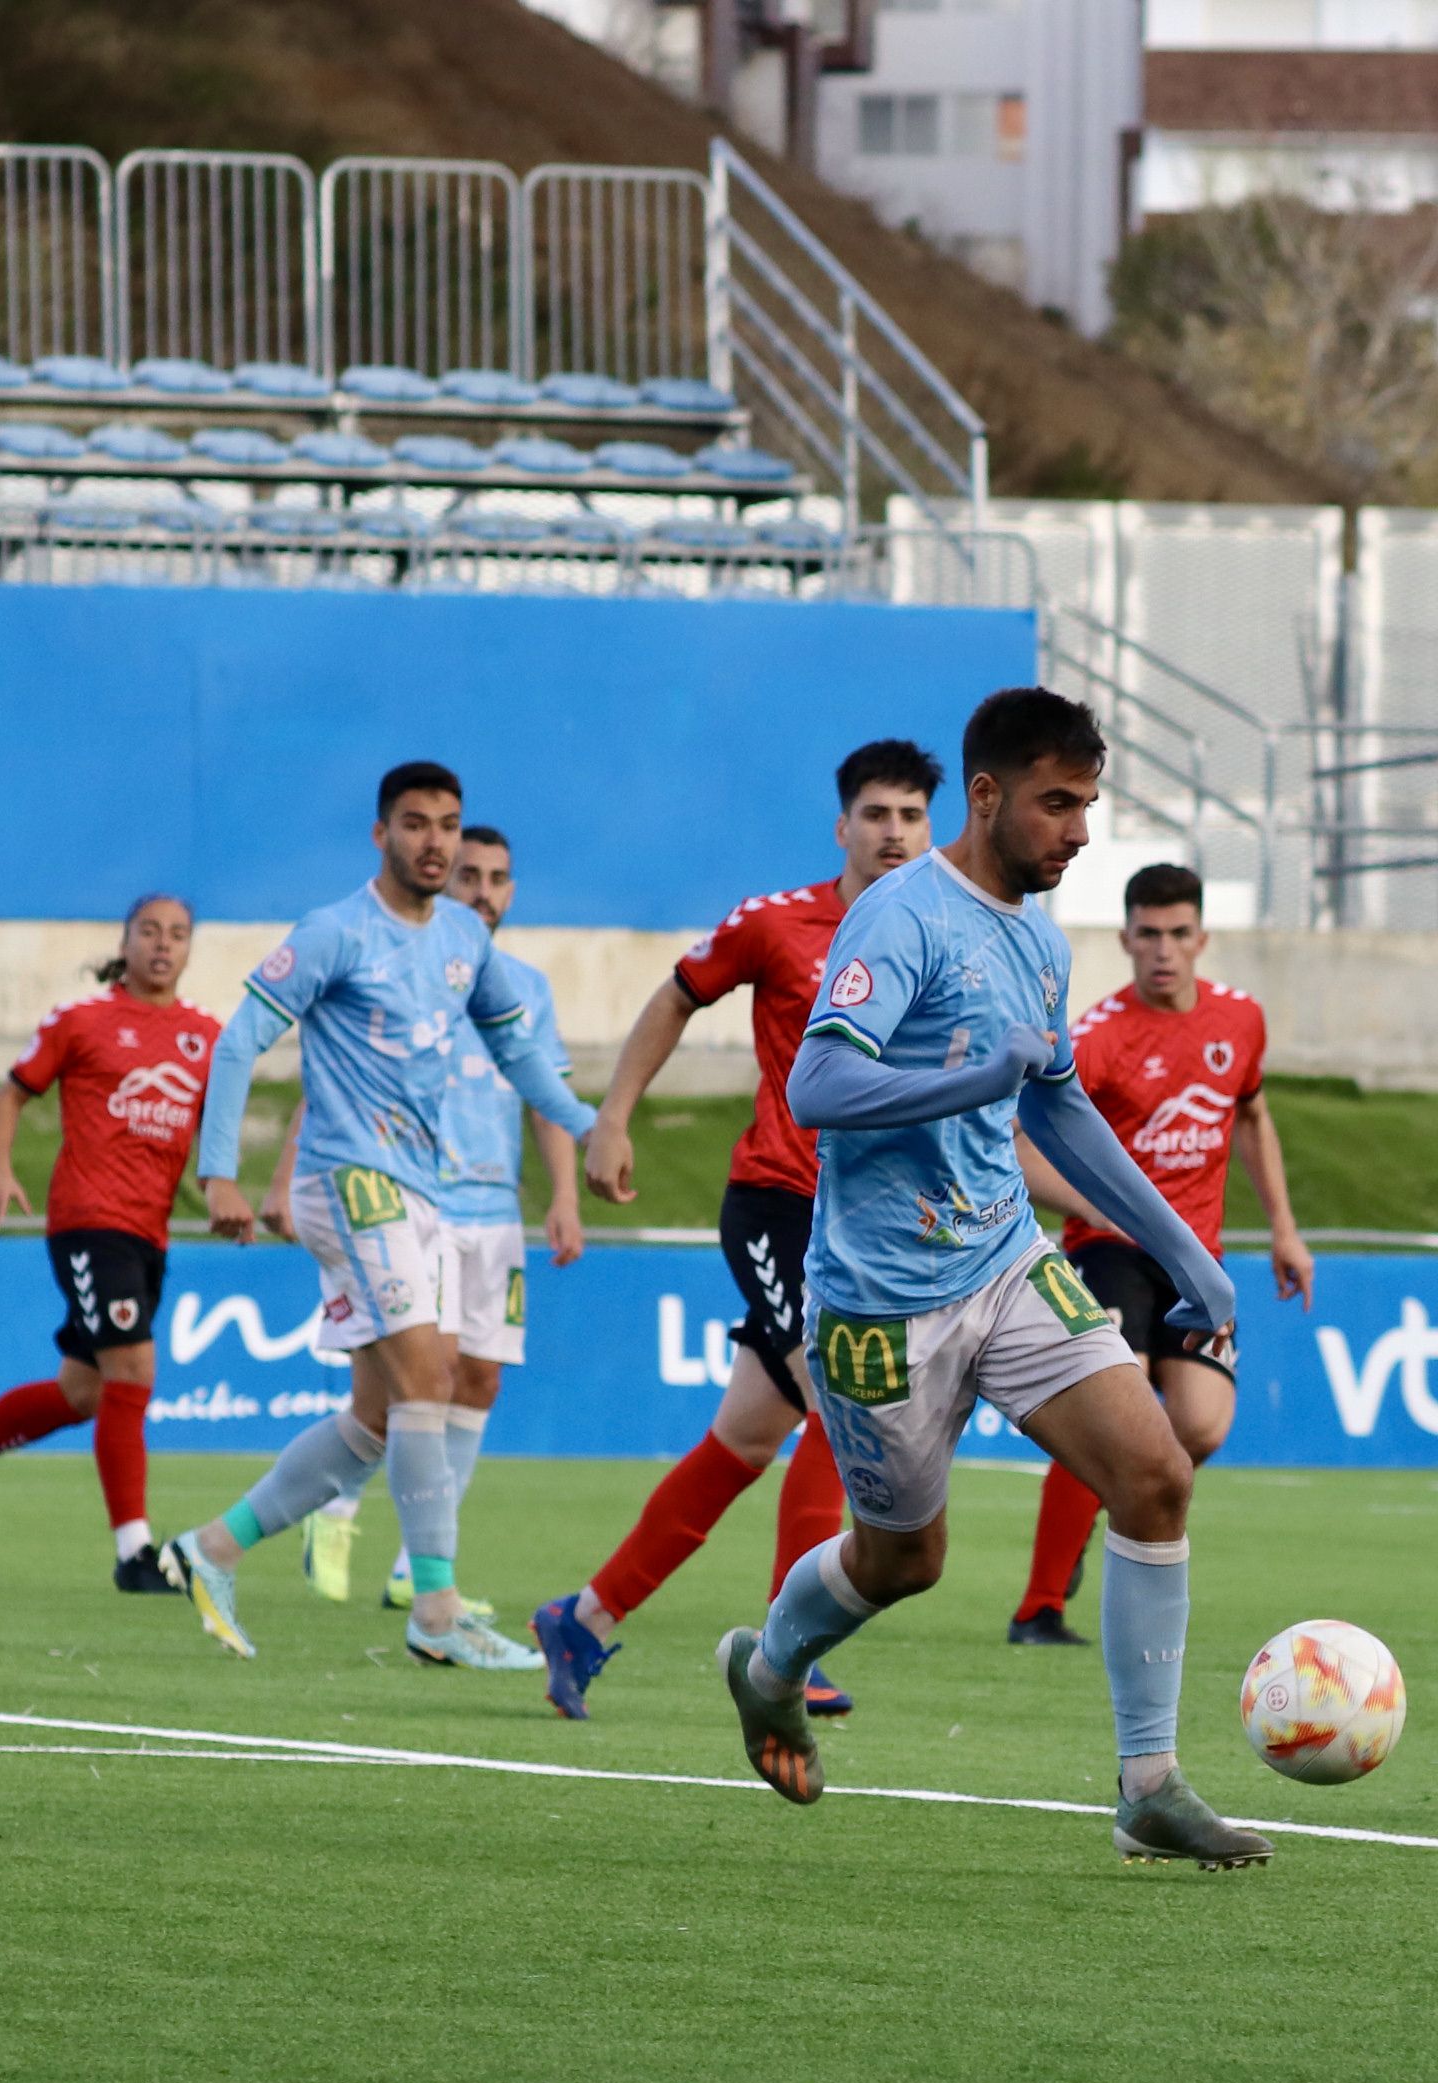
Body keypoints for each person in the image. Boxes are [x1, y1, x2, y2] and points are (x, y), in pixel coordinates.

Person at [711, 686, 1272, 1869]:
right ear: (987, 795)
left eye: (1089, 805)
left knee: (1157, 1472)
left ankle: (1149, 1782)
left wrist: (1184, 1253)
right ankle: (768, 1670)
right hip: (880, 1303)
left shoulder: (1035, 937)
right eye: (1058, 804)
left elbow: (1058, 1105)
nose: (1078, 830)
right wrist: (970, 1079)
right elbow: (818, 1092)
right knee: (904, 1559)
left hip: (1009, 1262)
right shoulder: (900, 922)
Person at [527, 740, 942, 1724]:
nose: (893, 832)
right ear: (842, 825)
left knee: (745, 1440)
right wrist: (615, 1117)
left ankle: (581, 1619)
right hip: (780, 1204)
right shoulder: (776, 923)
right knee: (843, 1407)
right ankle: (789, 1646)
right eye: (877, 814)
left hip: (877, 1227)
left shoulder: (942, 936)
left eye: (911, 816)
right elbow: (678, 994)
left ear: (933, 828)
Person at [163, 760, 594, 1667]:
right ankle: (436, 1611)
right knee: (432, 1375)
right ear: (380, 834)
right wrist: (220, 1175)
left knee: (375, 1418)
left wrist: (591, 1126)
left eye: (447, 824)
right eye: (416, 823)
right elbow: (240, 1042)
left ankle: (210, 1550)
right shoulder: (335, 933)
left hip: (417, 1191)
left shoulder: (464, 943)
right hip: (349, 1183)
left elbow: (520, 1056)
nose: (434, 840)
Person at [1004, 861, 1312, 1644]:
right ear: (1126, 939)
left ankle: (1107, 1503)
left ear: (1203, 937)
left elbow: (1253, 1117)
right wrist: (1101, 1206)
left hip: (1194, 1258)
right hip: (1108, 1252)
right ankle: (1040, 1606)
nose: (1165, 950)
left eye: (1179, 934)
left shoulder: (1240, 1020)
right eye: (1149, 935)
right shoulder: (1101, 1036)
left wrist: (1283, 1226)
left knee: (1202, 1427)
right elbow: (1021, 1142)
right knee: (1117, 1409)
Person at [282, 824, 584, 1611]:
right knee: (399, 1391)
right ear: (443, 884)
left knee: (478, 1380)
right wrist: (284, 1180)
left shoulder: (526, 987)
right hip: (411, 1198)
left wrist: (564, 1195)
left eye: (498, 878)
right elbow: (332, 1091)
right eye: (470, 876)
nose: (484, 890)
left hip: (495, 1212)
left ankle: (418, 1569)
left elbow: (543, 1097)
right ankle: (337, 1515)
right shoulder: (399, 970)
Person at [0, 894, 216, 1593]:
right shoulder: (81, 1022)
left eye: (179, 934)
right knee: (132, 1373)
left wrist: (225, 1188)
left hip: (147, 1231)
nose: (164, 945)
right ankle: (135, 1554)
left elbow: (216, 1127)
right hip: (88, 1220)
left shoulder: (205, 1036)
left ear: (190, 948)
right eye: (150, 932)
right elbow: (10, 1094)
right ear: (125, 941)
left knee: (83, 1392)